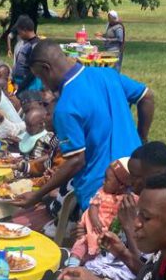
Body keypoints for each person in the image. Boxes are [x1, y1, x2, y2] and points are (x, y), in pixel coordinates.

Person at [51, 142, 166, 280]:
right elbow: (135, 262)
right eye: (131, 175)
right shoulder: (134, 202)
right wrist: (109, 243)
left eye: (139, 177)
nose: (132, 182)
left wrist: (129, 227)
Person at [14, 39, 154, 215]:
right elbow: (147, 97)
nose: (44, 84)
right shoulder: (107, 75)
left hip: (100, 193)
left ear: (46, 68)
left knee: (97, 233)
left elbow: (75, 161)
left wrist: (37, 195)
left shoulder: (65, 107)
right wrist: (142, 138)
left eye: (41, 77)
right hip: (135, 180)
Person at [66, 158, 132, 267]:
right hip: (93, 227)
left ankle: (83, 263)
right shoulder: (101, 193)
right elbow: (93, 206)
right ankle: (72, 264)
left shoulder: (126, 200)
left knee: (94, 252)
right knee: (81, 245)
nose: (103, 182)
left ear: (121, 186)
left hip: (106, 235)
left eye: (107, 180)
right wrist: (95, 220)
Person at [9, 15, 42, 95]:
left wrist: (21, 87)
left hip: (29, 86)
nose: (18, 34)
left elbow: (33, 71)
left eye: (19, 31)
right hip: (19, 83)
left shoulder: (34, 46)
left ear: (24, 30)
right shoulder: (25, 43)